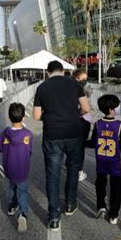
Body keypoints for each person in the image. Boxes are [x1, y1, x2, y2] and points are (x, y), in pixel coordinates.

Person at [33, 61, 90, 231]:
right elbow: (86, 109)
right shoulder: (75, 84)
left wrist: (50, 116)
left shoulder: (42, 87)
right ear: (63, 70)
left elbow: (36, 116)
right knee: (73, 169)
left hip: (52, 135)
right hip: (74, 132)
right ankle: (70, 204)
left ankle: (54, 217)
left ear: (48, 71)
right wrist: (74, 114)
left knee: (53, 174)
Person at [87, 95, 121, 224]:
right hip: (116, 162)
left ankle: (101, 206)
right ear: (111, 109)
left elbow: (93, 142)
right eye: (116, 106)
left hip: (101, 161)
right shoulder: (120, 125)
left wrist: (82, 142)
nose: (118, 108)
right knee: (116, 188)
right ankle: (114, 215)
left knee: (100, 183)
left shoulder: (98, 124)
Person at [0, 103, 33, 233]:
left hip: (9, 167)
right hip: (22, 167)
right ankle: (23, 214)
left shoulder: (5, 133)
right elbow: (29, 151)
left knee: (12, 187)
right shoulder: (28, 134)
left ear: (10, 118)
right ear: (23, 117)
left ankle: (12, 206)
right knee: (22, 190)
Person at [72, 68, 92, 182]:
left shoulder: (77, 89)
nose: (84, 81)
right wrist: (78, 113)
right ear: (75, 77)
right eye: (82, 78)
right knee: (79, 148)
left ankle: (75, 169)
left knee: (76, 147)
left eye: (85, 79)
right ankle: (78, 171)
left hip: (79, 121)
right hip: (81, 121)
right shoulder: (78, 90)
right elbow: (84, 109)